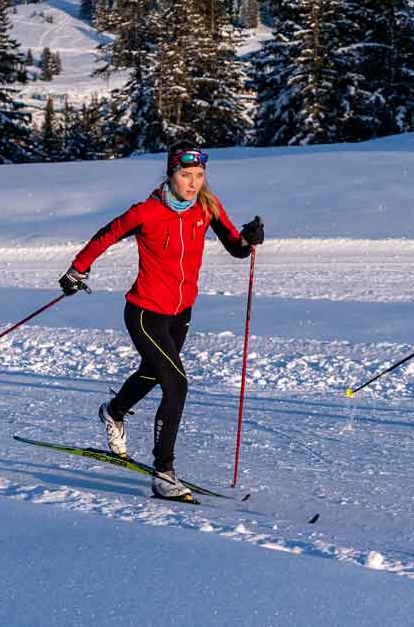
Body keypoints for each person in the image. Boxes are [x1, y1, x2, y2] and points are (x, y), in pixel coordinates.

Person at [60, 142, 264, 500]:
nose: (193, 183)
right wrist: (78, 269)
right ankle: (163, 472)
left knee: (154, 373)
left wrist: (250, 239)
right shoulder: (147, 212)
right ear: (170, 174)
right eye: (186, 175)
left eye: (199, 175)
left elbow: (236, 247)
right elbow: (106, 234)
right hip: (144, 313)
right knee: (177, 384)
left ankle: (114, 411)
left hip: (180, 313)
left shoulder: (207, 207)